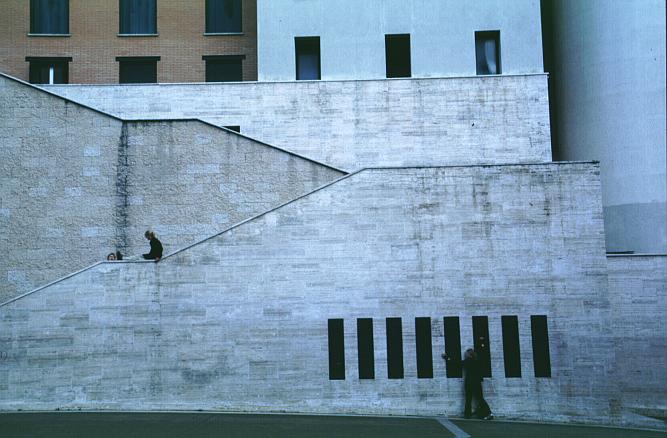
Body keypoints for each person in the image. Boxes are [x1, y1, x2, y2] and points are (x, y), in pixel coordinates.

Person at [443, 348, 493, 420]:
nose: (465, 355)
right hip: (477, 383)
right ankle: (488, 413)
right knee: (480, 398)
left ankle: (468, 415)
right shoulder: (477, 361)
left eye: (466, 354)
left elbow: (456, 363)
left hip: (470, 382)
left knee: (468, 399)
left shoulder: (468, 361)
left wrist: (447, 357)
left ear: (469, 354)